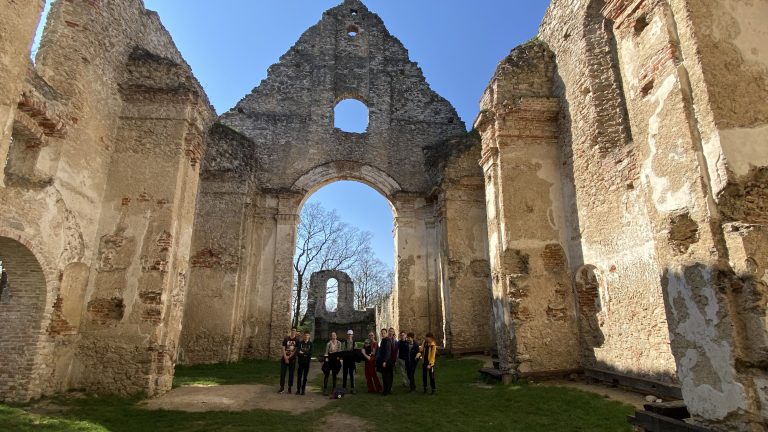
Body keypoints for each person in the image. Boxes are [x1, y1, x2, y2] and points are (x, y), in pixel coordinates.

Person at [279, 327, 299, 394]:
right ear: (291, 331)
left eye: (294, 331)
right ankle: (282, 387)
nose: (293, 332)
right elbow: (283, 348)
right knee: (283, 373)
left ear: (296, 332)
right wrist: (285, 357)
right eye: (292, 330)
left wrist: (289, 357)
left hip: (292, 359)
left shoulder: (297, 340)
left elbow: (295, 350)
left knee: (291, 374)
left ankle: (289, 388)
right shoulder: (286, 338)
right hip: (284, 358)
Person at [322, 331, 342, 396]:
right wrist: (326, 359)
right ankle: (325, 389)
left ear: (336, 336)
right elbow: (326, 352)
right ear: (331, 337)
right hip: (329, 359)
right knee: (327, 374)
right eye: (332, 336)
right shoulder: (328, 343)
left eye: (334, 335)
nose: (333, 337)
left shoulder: (339, 343)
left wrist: (338, 357)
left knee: (334, 375)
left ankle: (334, 389)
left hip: (335, 360)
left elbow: (339, 351)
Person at [376, 328, 394, 395]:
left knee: (386, 376)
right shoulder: (384, 340)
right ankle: (387, 390)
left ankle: (386, 391)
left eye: (384, 333)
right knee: (387, 376)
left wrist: (385, 361)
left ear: (386, 333)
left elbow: (388, 352)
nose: (383, 334)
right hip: (386, 361)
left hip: (387, 361)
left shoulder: (387, 340)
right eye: (382, 333)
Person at [295, 331, 313, 396]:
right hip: (300, 363)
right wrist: (304, 353)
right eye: (305, 335)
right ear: (303, 336)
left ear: (309, 336)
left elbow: (310, 353)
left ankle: (303, 390)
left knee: (305, 377)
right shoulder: (300, 343)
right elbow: (297, 352)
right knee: (299, 377)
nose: (306, 336)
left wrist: (303, 353)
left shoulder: (310, 344)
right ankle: (298, 390)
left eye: (307, 335)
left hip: (307, 363)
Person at [341, 329, 357, 394]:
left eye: (350, 334)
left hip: (352, 361)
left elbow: (355, 352)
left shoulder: (354, 343)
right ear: (347, 335)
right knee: (345, 374)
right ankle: (344, 388)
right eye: (348, 334)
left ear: (352, 335)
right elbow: (343, 351)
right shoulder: (344, 343)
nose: (349, 335)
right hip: (345, 361)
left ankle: (352, 388)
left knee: (351, 375)